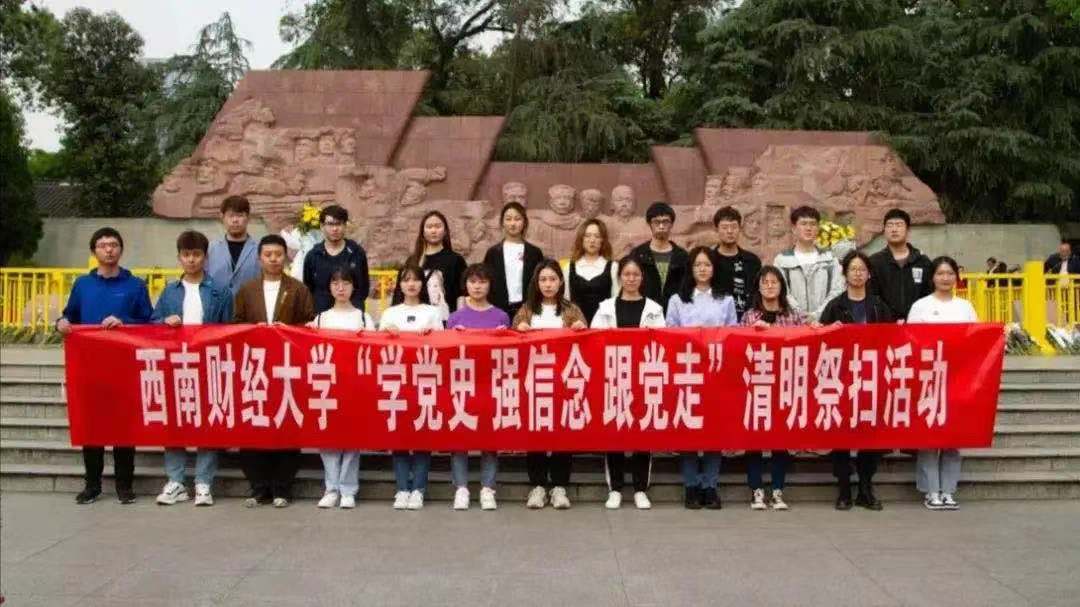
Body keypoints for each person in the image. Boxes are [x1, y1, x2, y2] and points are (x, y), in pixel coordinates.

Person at [56, 227, 153, 505]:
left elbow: (149, 321)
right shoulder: (83, 285)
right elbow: (69, 317)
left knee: (124, 428)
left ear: (121, 249)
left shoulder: (135, 285)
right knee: (92, 427)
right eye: (102, 245)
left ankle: (124, 486)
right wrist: (60, 323)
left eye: (113, 244)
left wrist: (125, 323)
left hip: (124, 366)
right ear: (94, 251)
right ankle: (92, 485)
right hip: (89, 367)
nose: (108, 249)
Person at [151, 230, 234, 507]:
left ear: (205, 257)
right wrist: (164, 322)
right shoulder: (170, 291)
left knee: (208, 423)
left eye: (196, 254)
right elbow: (152, 323)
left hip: (209, 364)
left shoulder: (220, 291)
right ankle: (176, 481)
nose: (191, 260)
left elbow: (229, 329)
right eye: (186, 255)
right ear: (179, 258)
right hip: (175, 365)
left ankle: (203, 482)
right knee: (174, 422)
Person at [234, 234, 316, 508]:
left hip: (287, 368)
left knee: (286, 424)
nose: (273, 259)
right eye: (268, 255)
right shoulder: (247, 290)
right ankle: (259, 487)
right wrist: (253, 331)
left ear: (286, 258)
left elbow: (308, 324)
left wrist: (288, 331)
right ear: (259, 258)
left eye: (278, 255)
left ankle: (282, 487)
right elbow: (236, 325)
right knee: (253, 425)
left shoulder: (298, 289)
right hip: (254, 368)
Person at [820, 251, 894, 511]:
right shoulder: (835, 306)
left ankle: (865, 487)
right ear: (845, 274)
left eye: (862, 269)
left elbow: (892, 339)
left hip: (871, 378)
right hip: (842, 378)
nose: (858, 273)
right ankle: (843, 489)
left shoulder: (879, 306)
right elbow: (821, 340)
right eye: (853, 269)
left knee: (869, 435)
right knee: (840, 435)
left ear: (869, 274)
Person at [591, 257, 666, 510]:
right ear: (620, 277)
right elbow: (594, 340)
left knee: (642, 433)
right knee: (614, 433)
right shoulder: (605, 308)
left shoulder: (654, 309)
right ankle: (615, 488)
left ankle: (640, 489)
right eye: (627, 274)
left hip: (644, 377)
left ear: (642, 278)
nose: (631, 279)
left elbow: (663, 343)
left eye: (635, 274)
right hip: (614, 377)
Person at [666, 247, 738, 509]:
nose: (703, 269)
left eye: (707, 265)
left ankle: (710, 485)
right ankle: (691, 486)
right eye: (698, 265)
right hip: (687, 372)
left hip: (716, 372)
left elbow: (732, 334)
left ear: (714, 268)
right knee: (689, 430)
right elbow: (670, 334)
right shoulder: (678, 300)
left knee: (713, 430)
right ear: (691, 268)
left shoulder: (725, 300)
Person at [513, 260, 587, 510]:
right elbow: (511, 344)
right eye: (543, 279)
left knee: (562, 433)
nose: (548, 284)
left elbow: (587, 344)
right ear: (536, 283)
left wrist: (581, 330)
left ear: (561, 282)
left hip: (563, 381)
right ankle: (537, 485)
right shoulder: (526, 310)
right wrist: (518, 331)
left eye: (552, 279)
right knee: (535, 432)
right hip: (533, 381)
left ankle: (559, 486)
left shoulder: (571, 310)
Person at [907, 256, 978, 511]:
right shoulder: (921, 306)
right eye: (940, 273)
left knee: (952, 437)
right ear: (932, 277)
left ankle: (948, 490)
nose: (945, 278)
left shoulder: (965, 307)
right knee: (929, 437)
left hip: (958, 378)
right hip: (929, 377)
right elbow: (911, 341)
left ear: (956, 277)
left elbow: (976, 341)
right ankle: (931, 491)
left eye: (949, 273)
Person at [309, 268, 375, 510]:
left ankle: (348, 488)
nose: (340, 288)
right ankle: (331, 488)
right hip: (327, 384)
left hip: (354, 386)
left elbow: (374, 352)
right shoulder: (320, 319)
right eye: (335, 283)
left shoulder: (363, 319)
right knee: (328, 437)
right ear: (329, 287)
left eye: (346, 283)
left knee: (351, 438)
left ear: (353, 287)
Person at [446, 264, 511, 511]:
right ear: (466, 285)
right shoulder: (455, 318)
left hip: (491, 383)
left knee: (489, 435)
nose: (477, 286)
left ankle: (488, 488)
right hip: (461, 382)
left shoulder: (501, 316)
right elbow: (445, 354)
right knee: (459, 435)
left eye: (482, 282)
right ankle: (461, 487)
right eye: (473, 282)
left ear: (490, 285)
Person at [741, 266, 805, 510]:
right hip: (756, 383)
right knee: (754, 438)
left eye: (774, 282)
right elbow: (739, 346)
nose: (769, 286)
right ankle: (756, 489)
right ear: (758, 287)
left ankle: (778, 489)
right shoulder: (749, 316)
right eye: (765, 282)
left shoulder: (793, 315)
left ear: (781, 286)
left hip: (784, 383)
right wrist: (755, 333)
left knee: (781, 438)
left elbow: (805, 341)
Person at [380, 262, 444, 511]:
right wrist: (386, 333)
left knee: (421, 434)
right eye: (406, 279)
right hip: (396, 381)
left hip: (424, 380)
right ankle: (401, 488)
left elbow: (444, 347)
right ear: (400, 284)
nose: (411, 284)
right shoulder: (390, 313)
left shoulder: (432, 312)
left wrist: (433, 335)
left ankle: (418, 488)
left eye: (416, 279)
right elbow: (377, 348)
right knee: (399, 436)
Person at [772, 206, 844, 321]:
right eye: (803, 224)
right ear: (794, 228)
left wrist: (817, 315)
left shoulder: (830, 259)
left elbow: (837, 290)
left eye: (813, 224)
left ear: (818, 228)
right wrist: (801, 315)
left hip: (825, 322)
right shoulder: (782, 260)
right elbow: (782, 292)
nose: (808, 228)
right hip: (792, 323)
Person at [302, 204, 371, 314]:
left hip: (352, 315)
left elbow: (363, 288)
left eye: (339, 224)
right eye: (330, 224)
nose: (335, 229)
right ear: (322, 226)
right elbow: (308, 288)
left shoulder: (357, 253)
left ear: (345, 225)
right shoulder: (313, 256)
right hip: (322, 316)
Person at [868, 208, 933, 319]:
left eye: (899, 225)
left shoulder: (922, 261)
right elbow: (871, 296)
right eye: (890, 225)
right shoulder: (875, 262)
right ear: (884, 231)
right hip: (885, 324)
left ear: (908, 230)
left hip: (917, 322)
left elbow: (929, 295)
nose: (894, 229)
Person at [484, 202, 545, 320]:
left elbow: (539, 282)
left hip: (528, 310)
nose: (513, 223)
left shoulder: (534, 253)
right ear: (502, 222)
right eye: (508, 219)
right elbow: (487, 282)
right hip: (499, 309)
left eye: (517, 219)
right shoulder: (493, 253)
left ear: (524, 222)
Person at [404, 210, 468, 321]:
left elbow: (461, 294)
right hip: (418, 321)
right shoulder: (413, 260)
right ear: (423, 232)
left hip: (446, 320)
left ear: (445, 231)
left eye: (438, 226)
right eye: (429, 227)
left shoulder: (455, 260)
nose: (433, 230)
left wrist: (459, 320)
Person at [629, 202, 688, 314]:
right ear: (649, 224)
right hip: (644, 313)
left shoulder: (682, 256)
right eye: (656, 222)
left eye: (665, 222)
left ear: (672, 224)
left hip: (675, 314)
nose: (661, 226)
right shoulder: (638, 254)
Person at [563, 218, 619, 325]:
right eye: (587, 236)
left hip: (604, 325)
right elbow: (566, 301)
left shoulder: (613, 267)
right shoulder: (569, 267)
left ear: (602, 240)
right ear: (581, 239)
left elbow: (615, 300)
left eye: (597, 236)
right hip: (576, 326)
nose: (592, 240)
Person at [712, 206, 762, 321]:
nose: (730, 231)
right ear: (716, 229)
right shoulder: (709, 260)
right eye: (725, 227)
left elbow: (757, 293)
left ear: (740, 228)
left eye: (734, 227)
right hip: (715, 321)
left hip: (746, 321)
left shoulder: (752, 261)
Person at [207, 195, 261, 297]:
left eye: (240, 215)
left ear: (248, 218)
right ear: (222, 218)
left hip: (249, 304)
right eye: (231, 216)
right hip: (217, 305)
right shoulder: (210, 249)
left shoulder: (260, 249)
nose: (235, 220)